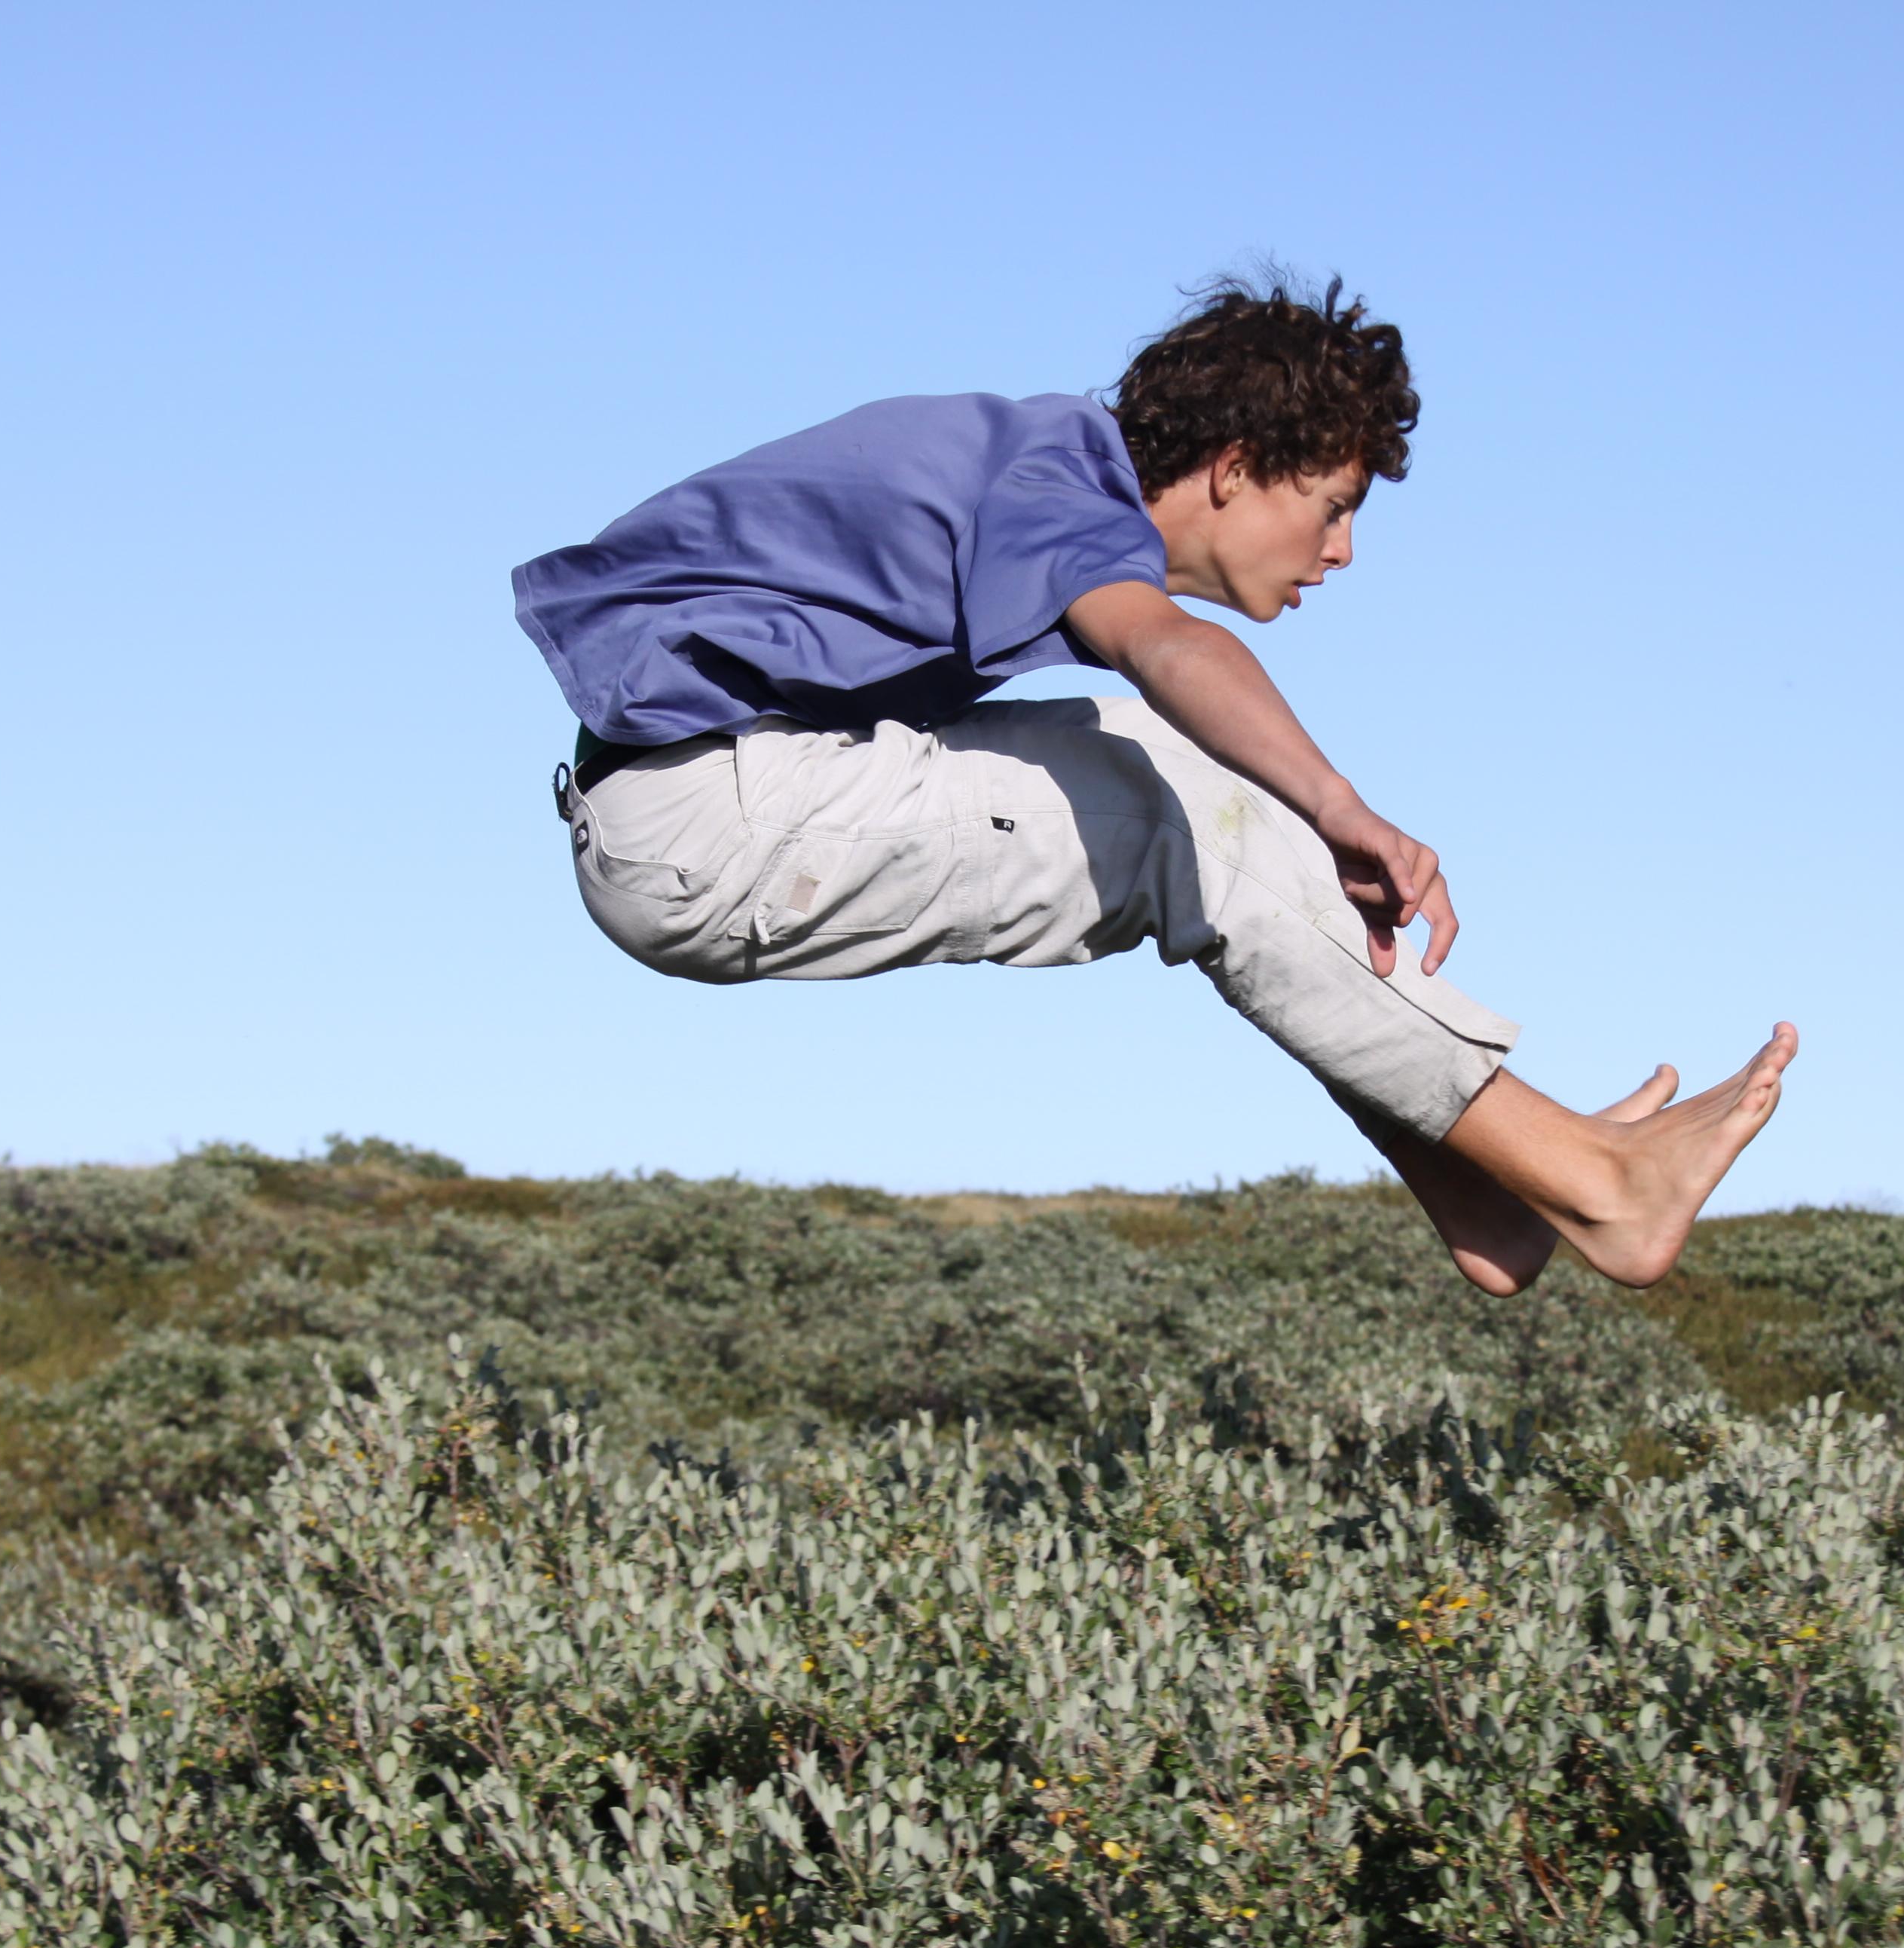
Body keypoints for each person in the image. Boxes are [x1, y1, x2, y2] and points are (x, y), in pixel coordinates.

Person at [509, 275, 1794, 1293]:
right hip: (704, 814)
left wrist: (1304, 816)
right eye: (1335, 504)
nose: (1344, 552)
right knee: (1180, 782)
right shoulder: (1056, 483)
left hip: (715, 802)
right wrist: (1345, 804)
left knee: (1217, 810)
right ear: (1235, 467)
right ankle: (1592, 1183)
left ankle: (1491, 1176)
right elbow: (1169, 648)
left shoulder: (1033, 470)